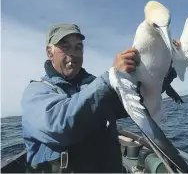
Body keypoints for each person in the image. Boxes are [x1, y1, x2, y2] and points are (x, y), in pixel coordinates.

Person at [21, 24, 178, 173]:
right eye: (65, 46)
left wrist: (166, 67)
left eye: (78, 47)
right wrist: (112, 78)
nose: (73, 53)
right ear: (50, 52)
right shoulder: (36, 91)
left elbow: (135, 101)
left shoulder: (94, 84)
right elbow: (61, 126)